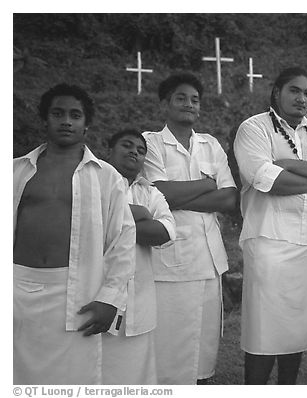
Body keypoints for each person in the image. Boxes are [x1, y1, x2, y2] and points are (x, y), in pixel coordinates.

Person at [234, 67, 307, 384]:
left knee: (296, 328)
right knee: (264, 327)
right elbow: (267, 181)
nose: (302, 98)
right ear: (277, 93)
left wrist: (292, 166)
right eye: (295, 91)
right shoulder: (254, 128)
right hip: (270, 240)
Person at [13, 83, 135, 384]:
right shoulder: (15, 171)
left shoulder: (107, 177)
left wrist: (111, 299)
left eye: (75, 115)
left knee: (73, 378)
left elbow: (122, 241)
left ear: (86, 124)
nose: (66, 120)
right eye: (57, 113)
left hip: (77, 291)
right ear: (45, 119)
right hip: (15, 287)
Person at [142, 73, 237, 384]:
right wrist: (205, 184)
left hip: (209, 258)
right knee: (170, 337)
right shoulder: (150, 143)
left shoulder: (210, 145)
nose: (189, 104)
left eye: (195, 100)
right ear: (166, 104)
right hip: (170, 260)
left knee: (204, 338)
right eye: (181, 98)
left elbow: (228, 198)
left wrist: (181, 196)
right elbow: (158, 194)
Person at [103, 129, 176, 384]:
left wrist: (116, 219)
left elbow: (166, 231)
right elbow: (89, 219)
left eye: (141, 149)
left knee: (135, 377)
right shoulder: (93, 183)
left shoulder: (151, 192)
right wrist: (140, 213)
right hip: (98, 298)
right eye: (127, 145)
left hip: (139, 302)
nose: (134, 151)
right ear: (108, 150)